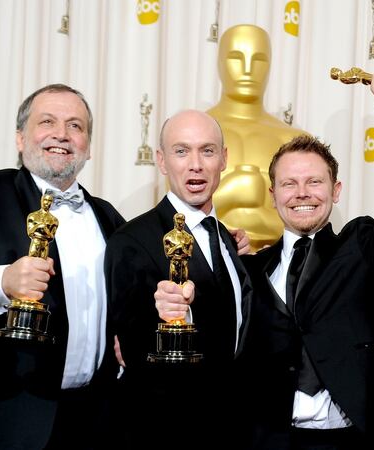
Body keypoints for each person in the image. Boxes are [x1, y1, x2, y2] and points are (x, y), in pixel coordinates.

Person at [0, 83, 126, 449]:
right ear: (20, 137)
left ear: (88, 146)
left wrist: (228, 242)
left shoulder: (109, 218)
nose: (62, 134)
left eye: (75, 126)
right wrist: (3, 281)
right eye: (48, 122)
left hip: (90, 424)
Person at [242, 69, 374, 449]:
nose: (302, 193)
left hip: (348, 440)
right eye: (289, 183)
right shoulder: (250, 268)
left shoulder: (361, 246)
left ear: (336, 190)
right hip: (268, 439)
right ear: (272, 194)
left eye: (314, 182)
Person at [105, 109, 252, 448]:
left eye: (208, 150)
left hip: (234, 428)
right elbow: (130, 351)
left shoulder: (229, 239)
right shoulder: (131, 240)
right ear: (161, 160)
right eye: (181, 151)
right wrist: (172, 315)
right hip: (164, 431)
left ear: (224, 159)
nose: (195, 164)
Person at [208, 24, 308, 249]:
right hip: (206, 267)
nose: (247, 69)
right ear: (219, 63)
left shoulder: (292, 139)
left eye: (259, 60)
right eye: (236, 58)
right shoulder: (195, 134)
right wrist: (233, 190)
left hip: (279, 269)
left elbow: (311, 216)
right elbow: (176, 213)